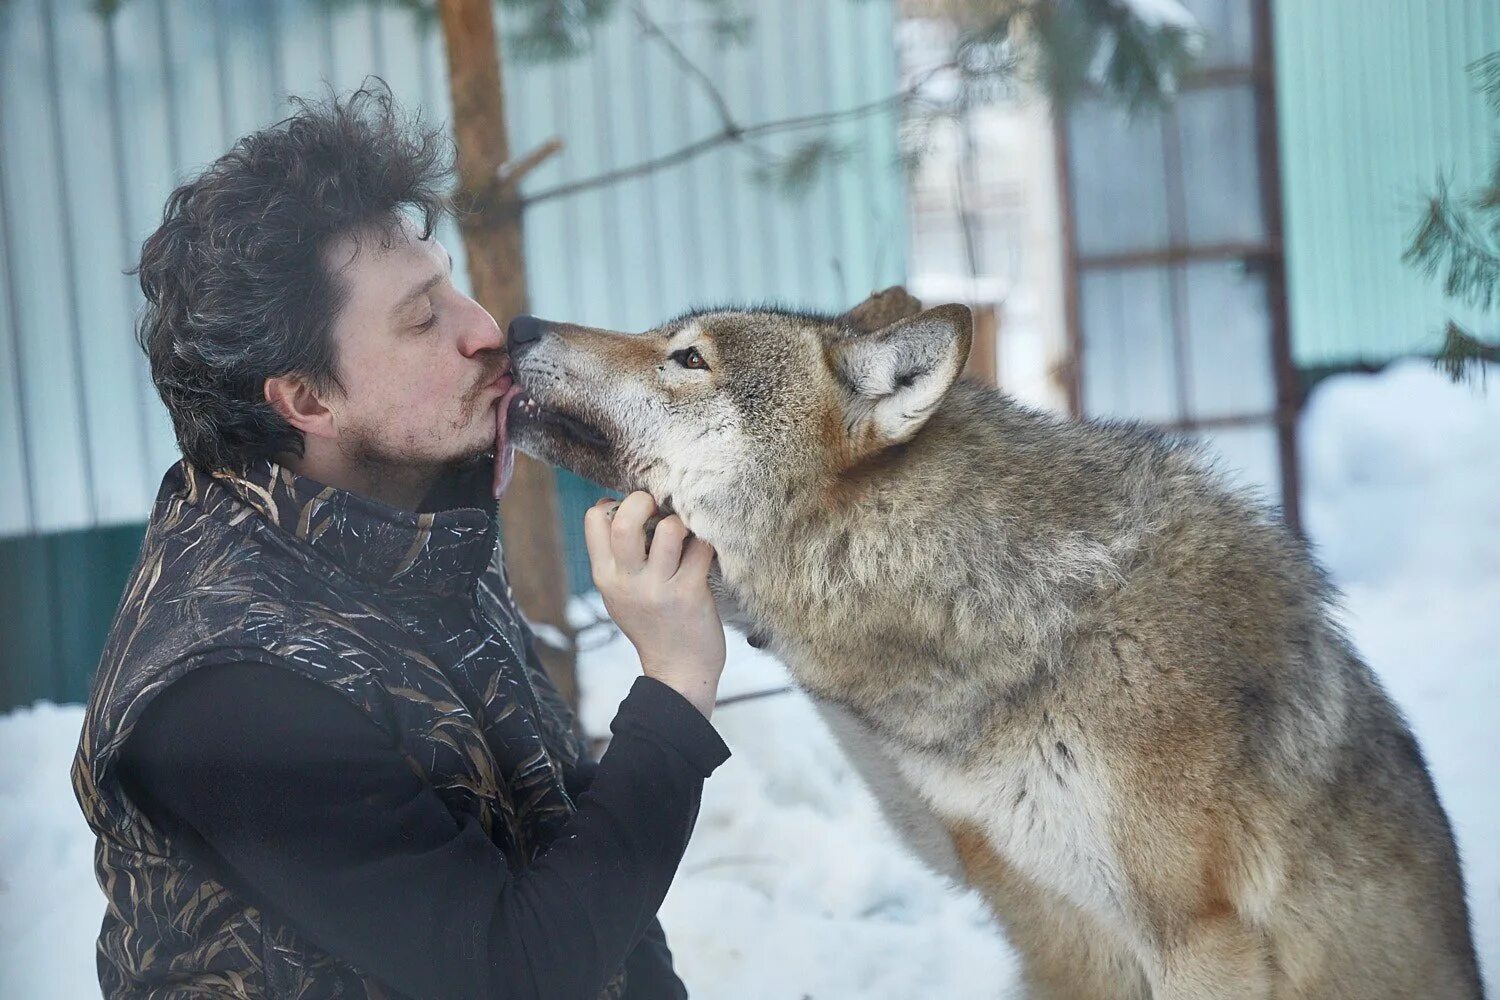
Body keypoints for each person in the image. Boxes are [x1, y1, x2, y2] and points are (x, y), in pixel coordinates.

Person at [70, 84, 729, 1000]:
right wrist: (674, 688)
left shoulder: (410, 528)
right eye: (422, 318)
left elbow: (574, 858)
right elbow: (515, 970)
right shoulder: (225, 691)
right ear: (307, 400)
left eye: (450, 284)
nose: (483, 330)